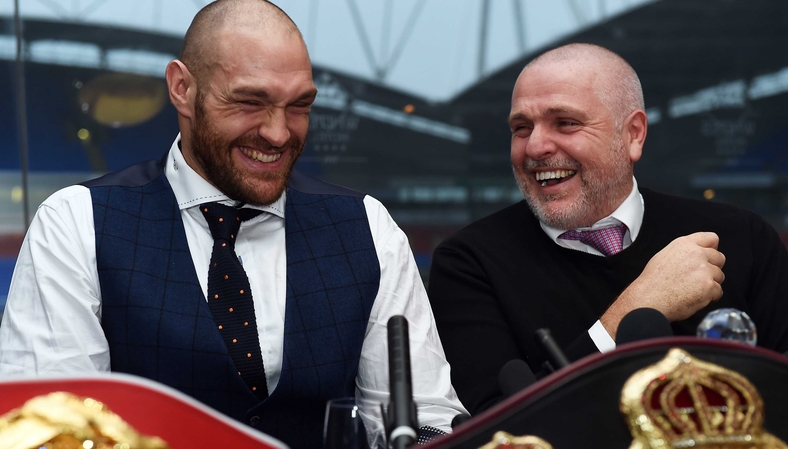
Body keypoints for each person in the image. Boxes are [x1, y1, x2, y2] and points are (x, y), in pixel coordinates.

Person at [0, 1, 466, 447]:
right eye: (250, 101)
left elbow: (425, 420)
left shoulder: (368, 227)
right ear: (182, 88)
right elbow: (51, 425)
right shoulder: (76, 222)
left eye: (300, 106)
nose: (279, 133)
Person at [427, 43, 788, 415]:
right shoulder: (469, 264)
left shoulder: (740, 237)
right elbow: (495, 428)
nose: (535, 146)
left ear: (633, 134)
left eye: (566, 123)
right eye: (521, 128)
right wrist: (639, 306)